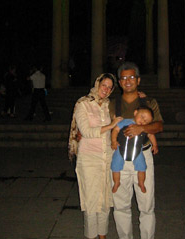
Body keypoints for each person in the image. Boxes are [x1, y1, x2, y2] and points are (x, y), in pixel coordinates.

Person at [109, 62, 163, 239]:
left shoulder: (148, 102)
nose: (128, 81)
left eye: (132, 77)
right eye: (123, 78)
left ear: (138, 80)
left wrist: (142, 129)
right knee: (121, 205)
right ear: (119, 82)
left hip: (143, 156)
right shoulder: (112, 104)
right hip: (120, 158)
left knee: (146, 205)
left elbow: (159, 126)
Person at [68, 73, 123, 239]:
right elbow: (86, 132)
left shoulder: (109, 105)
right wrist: (110, 125)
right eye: (103, 85)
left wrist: (141, 98)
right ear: (97, 84)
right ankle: (91, 236)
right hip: (89, 159)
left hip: (107, 157)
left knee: (106, 201)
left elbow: (128, 111)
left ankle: (103, 236)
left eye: (109, 87)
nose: (105, 89)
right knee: (91, 202)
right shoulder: (83, 103)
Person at [111, 106, 158, 194]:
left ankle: (141, 183)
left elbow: (151, 135)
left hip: (137, 152)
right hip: (120, 149)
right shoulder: (125, 122)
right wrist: (114, 141)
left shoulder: (144, 127)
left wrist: (154, 145)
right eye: (142, 117)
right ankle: (117, 182)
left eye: (146, 121)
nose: (143, 121)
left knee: (142, 167)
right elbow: (115, 130)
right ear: (135, 113)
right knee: (115, 166)